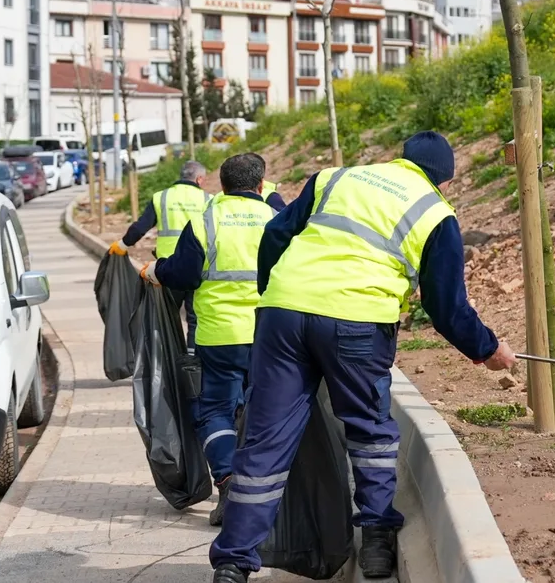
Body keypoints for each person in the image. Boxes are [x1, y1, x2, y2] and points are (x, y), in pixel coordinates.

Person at [209, 131, 517, 582]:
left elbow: (275, 234)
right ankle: (375, 540)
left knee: (265, 438)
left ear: (400, 160)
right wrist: (487, 349)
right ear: (445, 180)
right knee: (370, 429)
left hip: (282, 317)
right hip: (357, 324)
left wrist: (274, 298)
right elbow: (445, 305)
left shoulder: (335, 178)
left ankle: (233, 562)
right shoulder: (436, 212)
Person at [139, 153, 279, 528]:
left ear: (221, 186)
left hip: (219, 336)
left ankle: (228, 480)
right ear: (261, 185)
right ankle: (266, 494)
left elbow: (184, 274)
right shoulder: (276, 218)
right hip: (270, 335)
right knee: (264, 410)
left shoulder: (207, 219)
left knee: (214, 411)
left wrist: (156, 270)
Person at [110, 161, 211, 352]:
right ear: (199, 179)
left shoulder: (162, 197)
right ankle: (192, 360)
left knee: (166, 317)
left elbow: (141, 227)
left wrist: (123, 244)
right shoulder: (209, 199)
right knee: (195, 318)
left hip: (168, 270)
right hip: (198, 267)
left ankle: (167, 357)